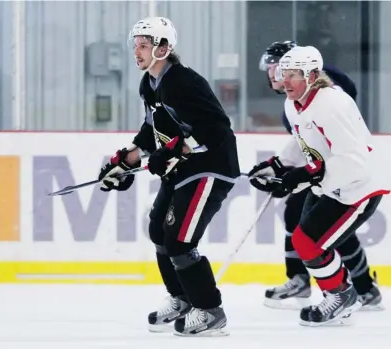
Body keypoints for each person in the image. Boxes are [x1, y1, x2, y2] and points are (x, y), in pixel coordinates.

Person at [97, 16, 240, 337]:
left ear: (164, 48)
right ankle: (183, 298)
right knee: (159, 231)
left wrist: (176, 150)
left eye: (144, 46)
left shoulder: (184, 82)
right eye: (136, 45)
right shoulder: (149, 82)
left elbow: (216, 130)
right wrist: (128, 158)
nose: (137, 52)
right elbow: (154, 128)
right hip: (184, 170)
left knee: (180, 240)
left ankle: (210, 310)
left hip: (211, 168)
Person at [248, 45, 390, 326]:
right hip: (332, 185)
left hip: (357, 188)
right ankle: (342, 292)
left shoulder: (332, 105)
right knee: (305, 239)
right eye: (283, 73)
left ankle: (342, 294)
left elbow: (354, 161)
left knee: (309, 241)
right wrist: (278, 165)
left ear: (312, 76)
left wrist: (306, 176)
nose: (285, 80)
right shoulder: (295, 101)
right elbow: (306, 144)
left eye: (294, 74)